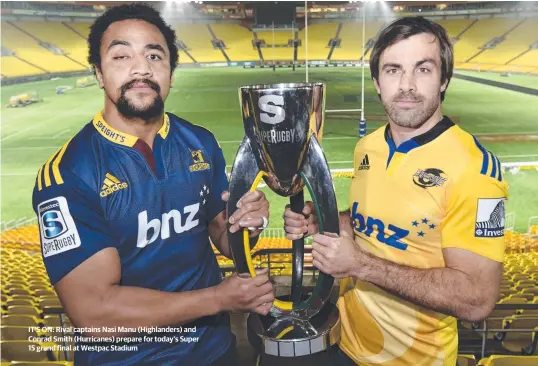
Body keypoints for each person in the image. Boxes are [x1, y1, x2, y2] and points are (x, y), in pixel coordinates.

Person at [32, 4, 274, 366]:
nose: (141, 67)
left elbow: (224, 236)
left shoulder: (200, 142)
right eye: (121, 55)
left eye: (154, 55)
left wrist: (249, 225)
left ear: (171, 73)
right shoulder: (67, 174)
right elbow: (95, 314)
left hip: (214, 351)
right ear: (99, 73)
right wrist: (219, 299)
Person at [284, 17, 507, 366]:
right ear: (376, 81)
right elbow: (366, 221)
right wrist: (323, 220)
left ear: (444, 78)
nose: (406, 85)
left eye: (423, 69)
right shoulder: (368, 147)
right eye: (392, 70)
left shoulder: (475, 169)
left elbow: (478, 300)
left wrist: (360, 265)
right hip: (344, 341)